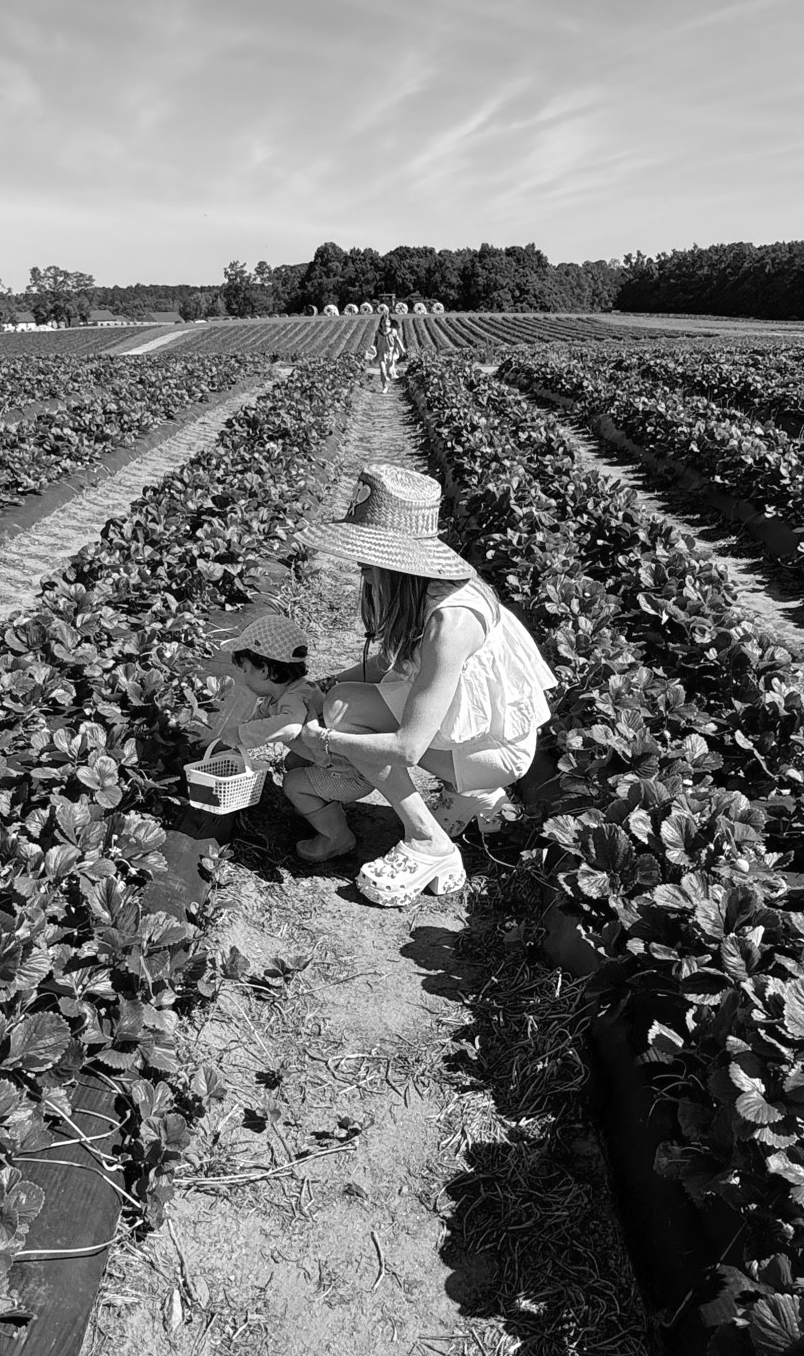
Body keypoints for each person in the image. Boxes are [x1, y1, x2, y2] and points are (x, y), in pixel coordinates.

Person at [284, 464, 558, 908]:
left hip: (498, 751)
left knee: (346, 711)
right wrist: (321, 683)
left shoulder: (450, 622)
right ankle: (472, 796)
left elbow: (408, 748)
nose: (362, 570)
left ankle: (428, 840)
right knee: (341, 697)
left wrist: (328, 738)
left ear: (395, 560)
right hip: (479, 736)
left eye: (368, 560)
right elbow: (391, 667)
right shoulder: (427, 591)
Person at [193, 613, 326, 761]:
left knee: (292, 782)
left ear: (264, 670)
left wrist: (240, 734)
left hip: (342, 762)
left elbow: (290, 726)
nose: (243, 677)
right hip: (320, 751)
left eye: (245, 670)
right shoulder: (274, 698)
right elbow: (255, 724)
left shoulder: (296, 696)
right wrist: (216, 746)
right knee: (291, 762)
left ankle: (342, 781)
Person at [374, 310, 403, 393]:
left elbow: (397, 340)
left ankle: (391, 374)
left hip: (390, 354)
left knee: (390, 373)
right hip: (381, 354)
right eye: (383, 321)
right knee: (383, 371)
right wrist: (372, 350)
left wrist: (402, 348)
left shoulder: (393, 331)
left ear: (390, 323)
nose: (385, 323)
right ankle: (384, 386)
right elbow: (375, 342)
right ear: (381, 323)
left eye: (387, 321)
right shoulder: (378, 332)